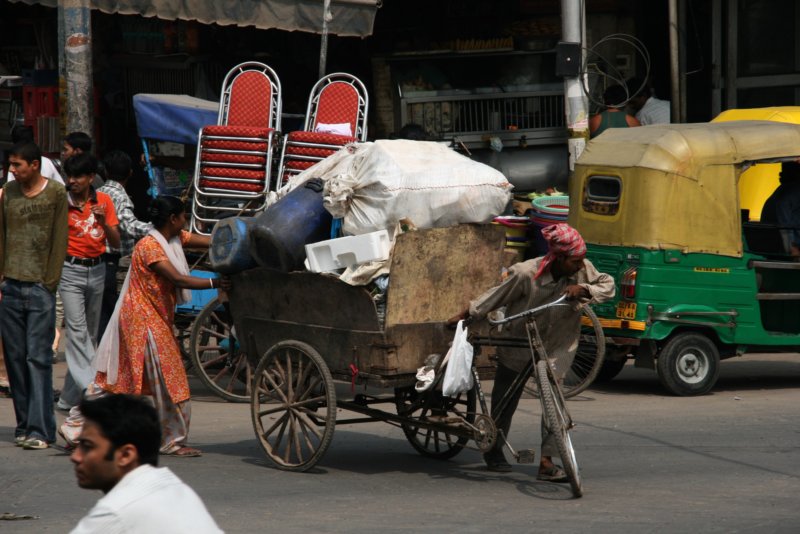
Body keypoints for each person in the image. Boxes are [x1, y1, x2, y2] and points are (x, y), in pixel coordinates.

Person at [450, 223, 615, 478]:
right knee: (506, 399)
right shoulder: (526, 273)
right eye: (575, 261)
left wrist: (584, 289)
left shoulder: (583, 270)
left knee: (554, 402)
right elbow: (496, 296)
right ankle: (493, 449)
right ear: (559, 258)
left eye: (582, 261)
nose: (581, 266)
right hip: (519, 341)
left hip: (558, 344)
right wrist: (467, 315)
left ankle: (547, 463)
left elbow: (608, 285)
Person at [61, 196, 222, 456]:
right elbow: (178, 279)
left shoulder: (173, 238)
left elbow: (207, 242)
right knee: (172, 381)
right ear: (173, 219)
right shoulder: (150, 247)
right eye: (183, 217)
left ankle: (75, 425)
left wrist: (238, 240)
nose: (185, 222)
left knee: (118, 381)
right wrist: (217, 284)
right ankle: (171, 439)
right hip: (143, 320)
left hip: (145, 319)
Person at [70, 394, 223, 533]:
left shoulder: (116, 512)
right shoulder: (176, 488)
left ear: (126, 455)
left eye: (87, 446)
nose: (75, 457)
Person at [0, 142, 69, 450]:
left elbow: (60, 239)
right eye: (10, 166)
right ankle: (24, 424)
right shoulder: (8, 193)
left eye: (17, 165)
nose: (12, 171)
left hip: (40, 287)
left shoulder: (55, 193)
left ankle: (41, 430)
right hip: (11, 285)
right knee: (15, 360)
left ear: (34, 165)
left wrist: (49, 283)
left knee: (37, 359)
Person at [58, 152, 121, 411]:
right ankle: (92, 389)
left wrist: (104, 222)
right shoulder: (62, 202)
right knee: (76, 333)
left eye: (78, 176)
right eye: (69, 176)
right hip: (69, 271)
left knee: (90, 337)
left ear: (91, 178)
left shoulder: (104, 201)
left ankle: (67, 399)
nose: (72, 181)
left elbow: (115, 242)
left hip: (97, 270)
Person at [97, 150, 153, 339]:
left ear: (105, 171)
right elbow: (129, 226)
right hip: (110, 261)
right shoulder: (119, 196)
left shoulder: (100, 192)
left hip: (99, 261)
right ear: (130, 173)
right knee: (111, 314)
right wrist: (157, 228)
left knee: (103, 314)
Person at [761, 160, 800, 258]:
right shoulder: (793, 192)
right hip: (787, 250)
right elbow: (785, 225)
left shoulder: (780, 192)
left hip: (772, 248)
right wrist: (791, 249)